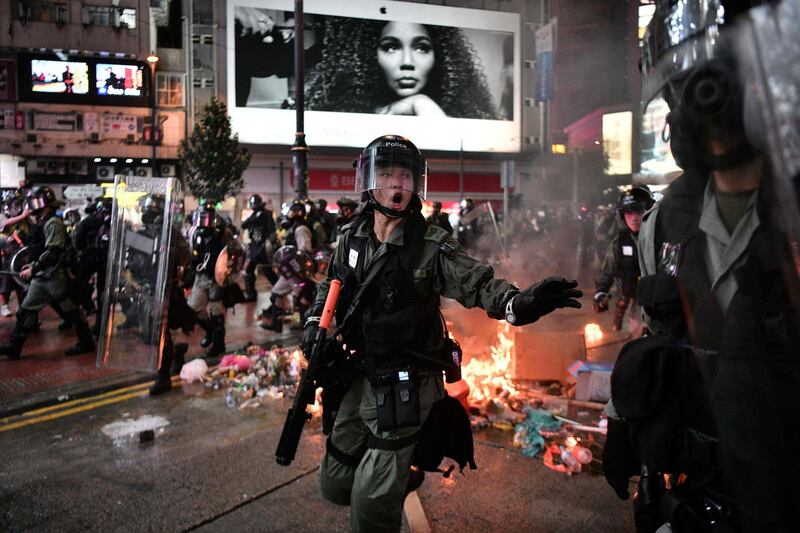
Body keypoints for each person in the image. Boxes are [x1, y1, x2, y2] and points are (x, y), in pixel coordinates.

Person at [307, 135, 582, 532]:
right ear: (370, 181)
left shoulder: (431, 246)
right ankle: (398, 474)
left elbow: (478, 284)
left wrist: (519, 304)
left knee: (369, 511)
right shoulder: (353, 236)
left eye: (405, 175)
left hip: (403, 386)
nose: (397, 185)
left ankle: (392, 476)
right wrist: (315, 324)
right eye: (387, 174)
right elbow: (329, 285)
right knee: (335, 484)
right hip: (356, 376)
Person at [602, 2, 800, 531]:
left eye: (724, 77)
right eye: (688, 84)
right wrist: (623, 420)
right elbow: (652, 335)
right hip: (694, 491)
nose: (707, 101)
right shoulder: (668, 221)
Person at [306, 19, 497, 119]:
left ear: (440, 57)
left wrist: (423, 105)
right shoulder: (339, 118)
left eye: (421, 48)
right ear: (367, 55)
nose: (407, 61)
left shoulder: (465, 119)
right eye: (391, 47)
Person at [0, 186, 95, 359]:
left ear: (42, 203)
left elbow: (53, 252)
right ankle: (15, 346)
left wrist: (33, 268)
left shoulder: (53, 223)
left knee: (71, 309)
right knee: (26, 310)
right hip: (43, 276)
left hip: (54, 276)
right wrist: (32, 266)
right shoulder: (43, 222)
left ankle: (86, 342)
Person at [136, 195, 193, 396]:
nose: (145, 214)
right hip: (150, 288)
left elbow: (185, 259)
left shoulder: (170, 234)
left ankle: (163, 376)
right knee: (159, 330)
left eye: (148, 210)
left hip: (166, 288)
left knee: (160, 332)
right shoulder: (145, 233)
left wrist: (180, 277)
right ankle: (177, 355)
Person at [593, 186, 654, 334]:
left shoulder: (661, 240)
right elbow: (606, 272)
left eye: (639, 211)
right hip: (633, 304)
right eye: (629, 212)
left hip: (659, 305)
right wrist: (601, 293)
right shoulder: (618, 244)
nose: (634, 217)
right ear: (622, 214)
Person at [187, 201, 242, 362]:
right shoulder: (193, 232)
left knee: (216, 310)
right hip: (200, 276)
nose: (206, 221)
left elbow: (235, 252)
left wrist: (226, 274)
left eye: (209, 217)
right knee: (194, 310)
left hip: (217, 279)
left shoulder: (222, 233)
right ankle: (210, 331)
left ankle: (218, 344)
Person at [241, 194, 278, 301]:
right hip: (254, 246)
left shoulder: (266, 214)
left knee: (268, 271)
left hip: (263, 247)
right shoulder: (255, 215)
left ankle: (279, 292)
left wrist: (270, 243)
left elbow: (272, 230)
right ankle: (251, 293)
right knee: (249, 271)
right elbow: (244, 225)